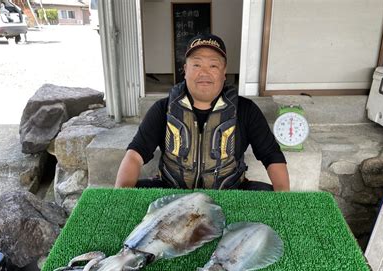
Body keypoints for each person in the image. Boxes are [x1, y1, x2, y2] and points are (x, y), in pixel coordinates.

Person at [115, 34, 290, 191]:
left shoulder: (246, 110)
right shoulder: (163, 108)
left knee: (268, 194)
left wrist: (284, 200)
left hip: (230, 191)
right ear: (185, 70)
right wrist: (120, 197)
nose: (204, 72)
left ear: (224, 72)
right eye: (197, 64)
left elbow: (271, 155)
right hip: (172, 192)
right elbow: (135, 155)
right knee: (133, 191)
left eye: (213, 65)